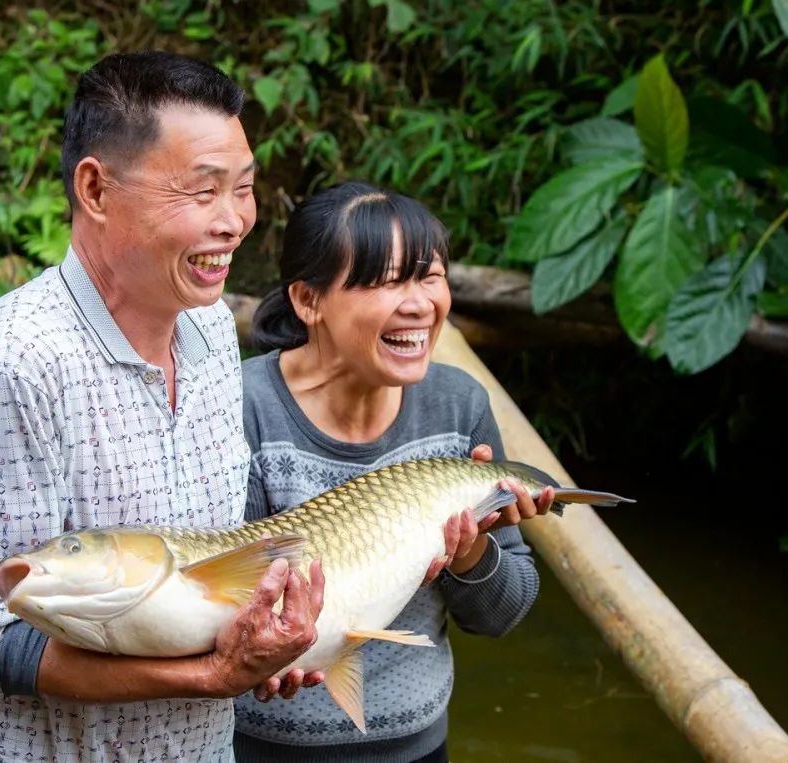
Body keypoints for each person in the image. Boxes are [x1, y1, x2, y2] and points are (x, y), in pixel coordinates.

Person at [0, 51, 325, 763]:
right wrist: (207, 676)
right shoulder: (17, 365)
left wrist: (257, 641)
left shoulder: (207, 326)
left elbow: (205, 573)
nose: (235, 220)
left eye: (245, 189)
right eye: (202, 191)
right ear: (96, 189)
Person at [232, 181, 554, 762]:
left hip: (416, 746)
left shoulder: (459, 408)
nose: (419, 303)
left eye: (429, 277)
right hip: (259, 748)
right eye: (385, 281)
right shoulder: (243, 407)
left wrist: (472, 555)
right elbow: (219, 599)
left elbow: (504, 614)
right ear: (308, 301)